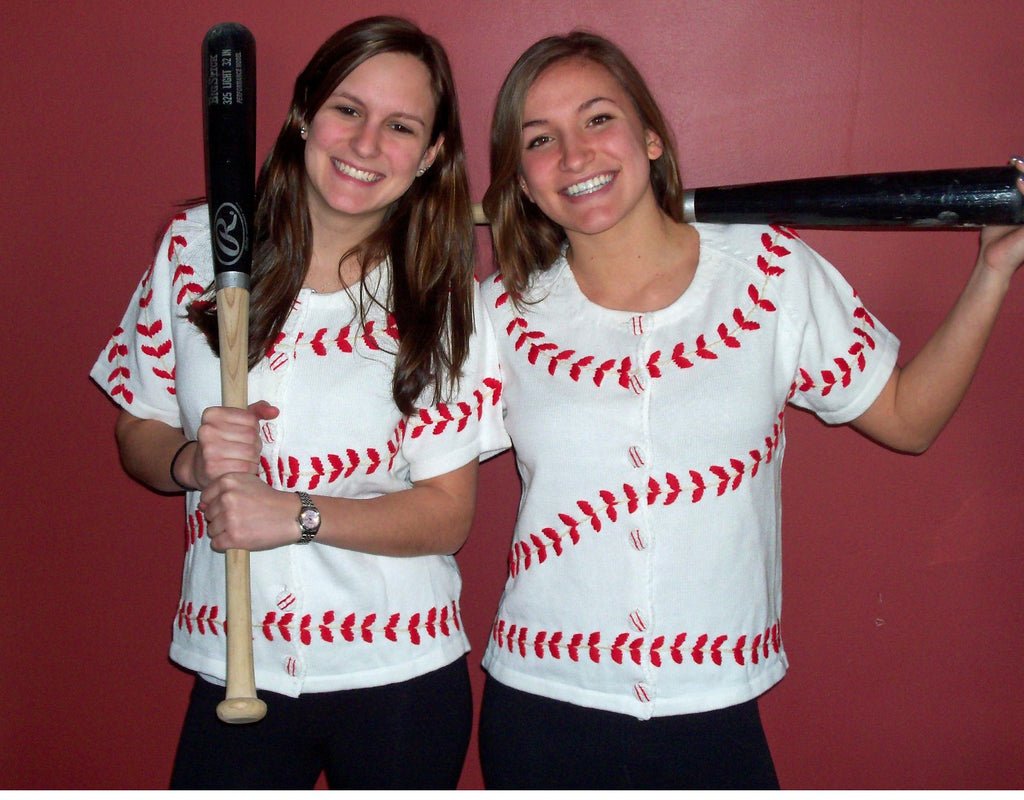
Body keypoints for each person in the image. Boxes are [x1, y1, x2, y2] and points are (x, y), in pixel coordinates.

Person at [475, 30, 1024, 790]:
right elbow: (405, 456)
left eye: (599, 118)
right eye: (541, 139)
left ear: (652, 136)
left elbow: (907, 418)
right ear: (522, 182)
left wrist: (994, 270)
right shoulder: (500, 312)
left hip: (715, 703)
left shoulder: (767, 270)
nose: (575, 154)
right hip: (543, 704)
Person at [90, 16, 507, 790]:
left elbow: (448, 513)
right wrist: (189, 462)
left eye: (401, 125)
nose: (365, 142)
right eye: (348, 109)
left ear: (432, 155)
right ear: (305, 112)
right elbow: (136, 428)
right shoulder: (192, 250)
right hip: (232, 666)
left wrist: (296, 514)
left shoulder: (447, 297)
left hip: (399, 678)